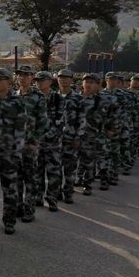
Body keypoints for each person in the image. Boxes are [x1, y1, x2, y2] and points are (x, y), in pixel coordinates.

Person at [0, 68, 27, 232]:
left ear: (8, 82)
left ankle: (9, 221)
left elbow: (20, 129)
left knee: (9, 189)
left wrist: (17, 153)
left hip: (9, 153)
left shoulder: (18, 102)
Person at [15, 65, 48, 220]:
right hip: (15, 145)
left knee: (30, 178)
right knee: (16, 178)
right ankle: (18, 207)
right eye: (20, 75)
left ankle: (29, 210)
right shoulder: (14, 96)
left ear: (31, 78)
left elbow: (42, 122)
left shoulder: (38, 97)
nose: (22, 78)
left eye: (26, 75)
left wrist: (35, 142)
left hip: (29, 144)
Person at [34, 71, 65, 212]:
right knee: (37, 172)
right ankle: (38, 197)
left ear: (50, 81)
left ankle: (52, 199)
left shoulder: (57, 98)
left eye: (42, 80)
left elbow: (60, 121)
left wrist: (46, 136)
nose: (39, 83)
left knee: (53, 173)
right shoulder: (33, 98)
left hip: (53, 143)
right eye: (37, 80)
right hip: (36, 142)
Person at [57, 69, 86, 204]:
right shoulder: (53, 97)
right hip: (55, 139)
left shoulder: (78, 98)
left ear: (71, 80)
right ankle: (56, 192)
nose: (63, 80)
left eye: (66, 77)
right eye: (60, 77)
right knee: (55, 169)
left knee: (70, 169)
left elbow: (82, 119)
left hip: (71, 139)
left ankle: (68, 193)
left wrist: (78, 137)